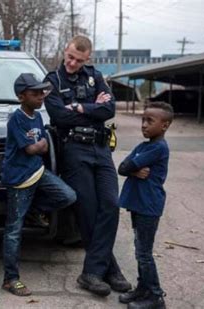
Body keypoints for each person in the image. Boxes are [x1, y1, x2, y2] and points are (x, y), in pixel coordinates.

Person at [43, 35, 131, 296]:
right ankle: (109, 271)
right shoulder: (52, 81)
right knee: (89, 211)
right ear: (65, 51)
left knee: (111, 205)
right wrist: (94, 107)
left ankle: (93, 271)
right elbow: (59, 115)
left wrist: (80, 107)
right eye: (70, 57)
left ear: (87, 59)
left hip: (101, 149)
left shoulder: (95, 76)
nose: (72, 62)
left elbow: (110, 110)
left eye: (78, 60)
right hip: (74, 150)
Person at [1, 73, 77, 296]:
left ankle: (35, 210)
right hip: (19, 178)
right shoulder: (16, 119)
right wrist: (40, 145)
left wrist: (40, 145)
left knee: (68, 196)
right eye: (35, 93)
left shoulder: (37, 117)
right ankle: (10, 278)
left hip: (37, 171)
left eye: (42, 91)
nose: (41, 96)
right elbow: (32, 148)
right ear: (21, 97)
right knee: (14, 230)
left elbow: (41, 146)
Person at [117, 102, 173, 309]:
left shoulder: (158, 147)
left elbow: (128, 164)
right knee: (140, 249)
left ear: (165, 125)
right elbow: (123, 168)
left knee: (144, 253)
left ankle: (156, 297)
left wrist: (131, 167)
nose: (144, 125)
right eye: (143, 120)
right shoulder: (143, 146)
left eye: (150, 121)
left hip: (149, 205)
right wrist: (133, 171)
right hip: (139, 204)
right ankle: (143, 289)